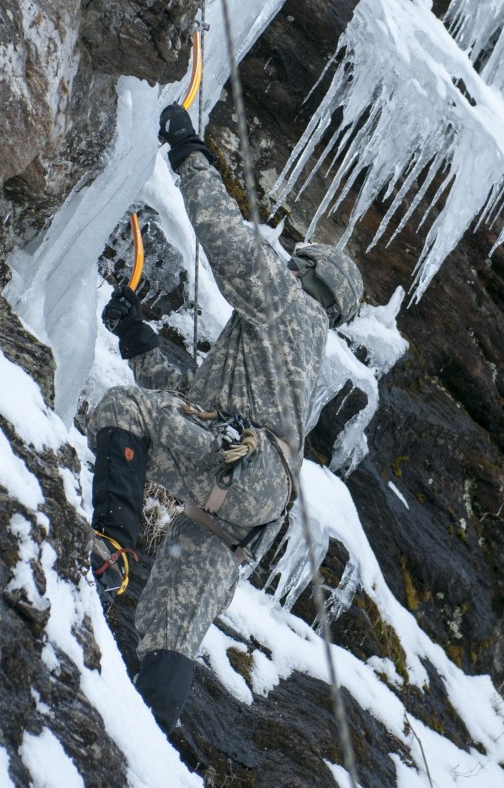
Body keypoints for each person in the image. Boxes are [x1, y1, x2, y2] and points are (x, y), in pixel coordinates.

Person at [87, 103, 364, 734]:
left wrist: (188, 151)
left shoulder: (287, 298)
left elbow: (224, 234)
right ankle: (149, 742)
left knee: (120, 410)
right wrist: (137, 340)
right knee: (172, 617)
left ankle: (108, 547)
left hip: (242, 466)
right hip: (252, 501)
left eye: (296, 258)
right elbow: (195, 409)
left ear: (311, 273)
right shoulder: (297, 348)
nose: (286, 260)